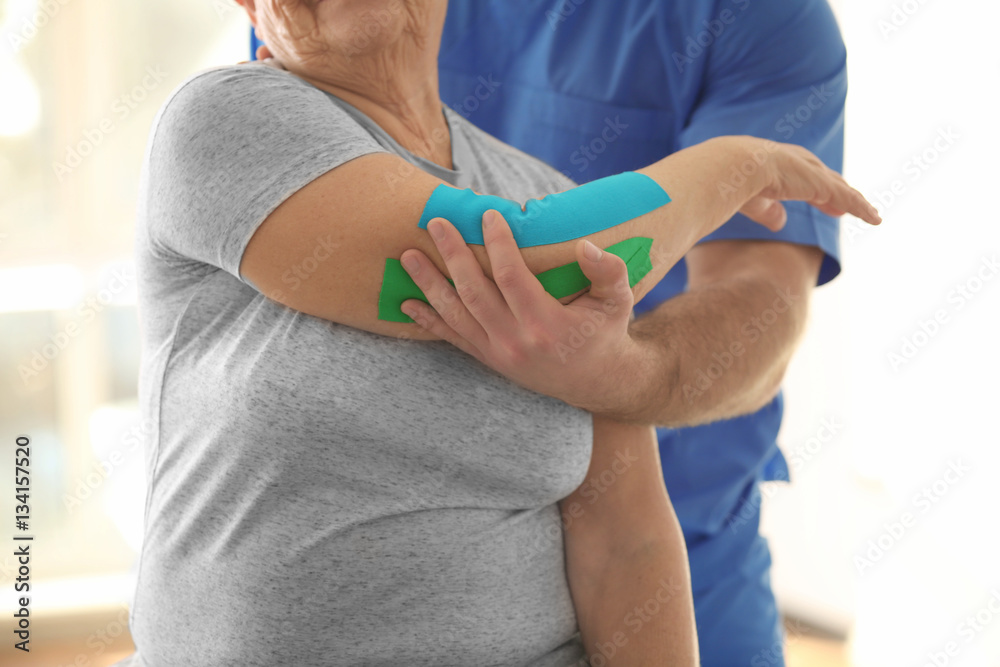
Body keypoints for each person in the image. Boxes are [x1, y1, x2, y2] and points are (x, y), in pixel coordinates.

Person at [119, 1, 876, 665]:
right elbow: (530, 262)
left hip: (707, 528)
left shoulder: (548, 191)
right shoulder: (224, 123)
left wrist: (621, 374)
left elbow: (626, 539)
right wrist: (733, 166)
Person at [359, 1, 850, 664]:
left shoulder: (762, 19)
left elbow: (761, 301)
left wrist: (623, 372)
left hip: (687, 538)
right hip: (422, 546)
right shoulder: (328, 18)